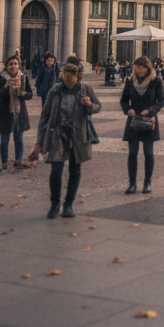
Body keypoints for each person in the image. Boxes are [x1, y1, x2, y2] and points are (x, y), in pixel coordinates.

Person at [30, 57, 101, 219]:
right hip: (57, 135)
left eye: (70, 76)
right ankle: (55, 204)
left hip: (77, 135)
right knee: (56, 170)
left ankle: (68, 204)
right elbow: (45, 117)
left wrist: (89, 104)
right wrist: (40, 142)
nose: (66, 79)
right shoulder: (55, 90)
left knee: (75, 170)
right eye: (64, 75)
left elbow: (97, 106)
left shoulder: (85, 89)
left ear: (77, 77)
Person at [120, 55, 164, 194]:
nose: (138, 72)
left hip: (148, 120)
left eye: (141, 69)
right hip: (133, 121)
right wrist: (128, 110)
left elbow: (161, 101)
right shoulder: (130, 81)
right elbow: (123, 100)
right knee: (132, 153)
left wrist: (151, 110)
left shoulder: (155, 81)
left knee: (148, 153)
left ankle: (147, 182)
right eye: (136, 69)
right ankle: (132, 183)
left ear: (147, 68)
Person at [0, 54, 34, 170]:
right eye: (11, 64)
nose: (13, 66)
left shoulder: (23, 78)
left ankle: (18, 160)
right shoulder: (0, 78)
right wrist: (5, 88)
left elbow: (30, 94)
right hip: (4, 112)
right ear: (7, 66)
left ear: (19, 65)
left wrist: (24, 94)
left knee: (18, 138)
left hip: (19, 112)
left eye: (15, 64)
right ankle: (4, 163)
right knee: (4, 140)